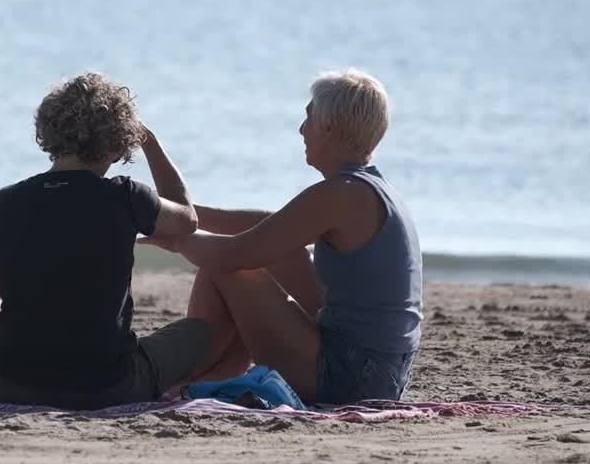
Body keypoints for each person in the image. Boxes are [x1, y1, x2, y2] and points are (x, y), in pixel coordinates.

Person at [143, 69, 422, 404]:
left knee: (227, 269)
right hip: (380, 373)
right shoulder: (369, 188)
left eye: (309, 118)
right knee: (280, 253)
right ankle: (218, 373)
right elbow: (270, 227)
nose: (302, 130)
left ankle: (186, 373)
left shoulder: (341, 194)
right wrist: (185, 214)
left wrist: (169, 237)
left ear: (329, 127)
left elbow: (232, 255)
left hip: (351, 376)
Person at [0, 72, 209, 410]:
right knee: (199, 332)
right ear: (120, 139)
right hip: (109, 386)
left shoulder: (4, 201)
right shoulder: (125, 196)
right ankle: (176, 388)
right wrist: (150, 141)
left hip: (10, 384)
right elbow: (187, 219)